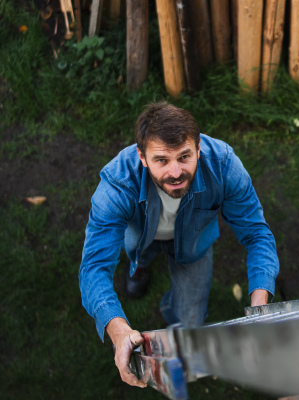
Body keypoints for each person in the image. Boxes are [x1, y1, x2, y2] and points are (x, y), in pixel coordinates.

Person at [79, 102, 279, 388]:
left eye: (184, 156)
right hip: (142, 239)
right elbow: (94, 268)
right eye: (162, 160)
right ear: (142, 157)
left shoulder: (223, 165)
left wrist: (260, 310)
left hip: (193, 245)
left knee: (191, 320)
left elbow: (257, 233)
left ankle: (169, 309)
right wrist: (118, 329)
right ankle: (140, 267)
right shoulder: (117, 184)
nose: (175, 172)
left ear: (198, 148)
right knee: (139, 254)